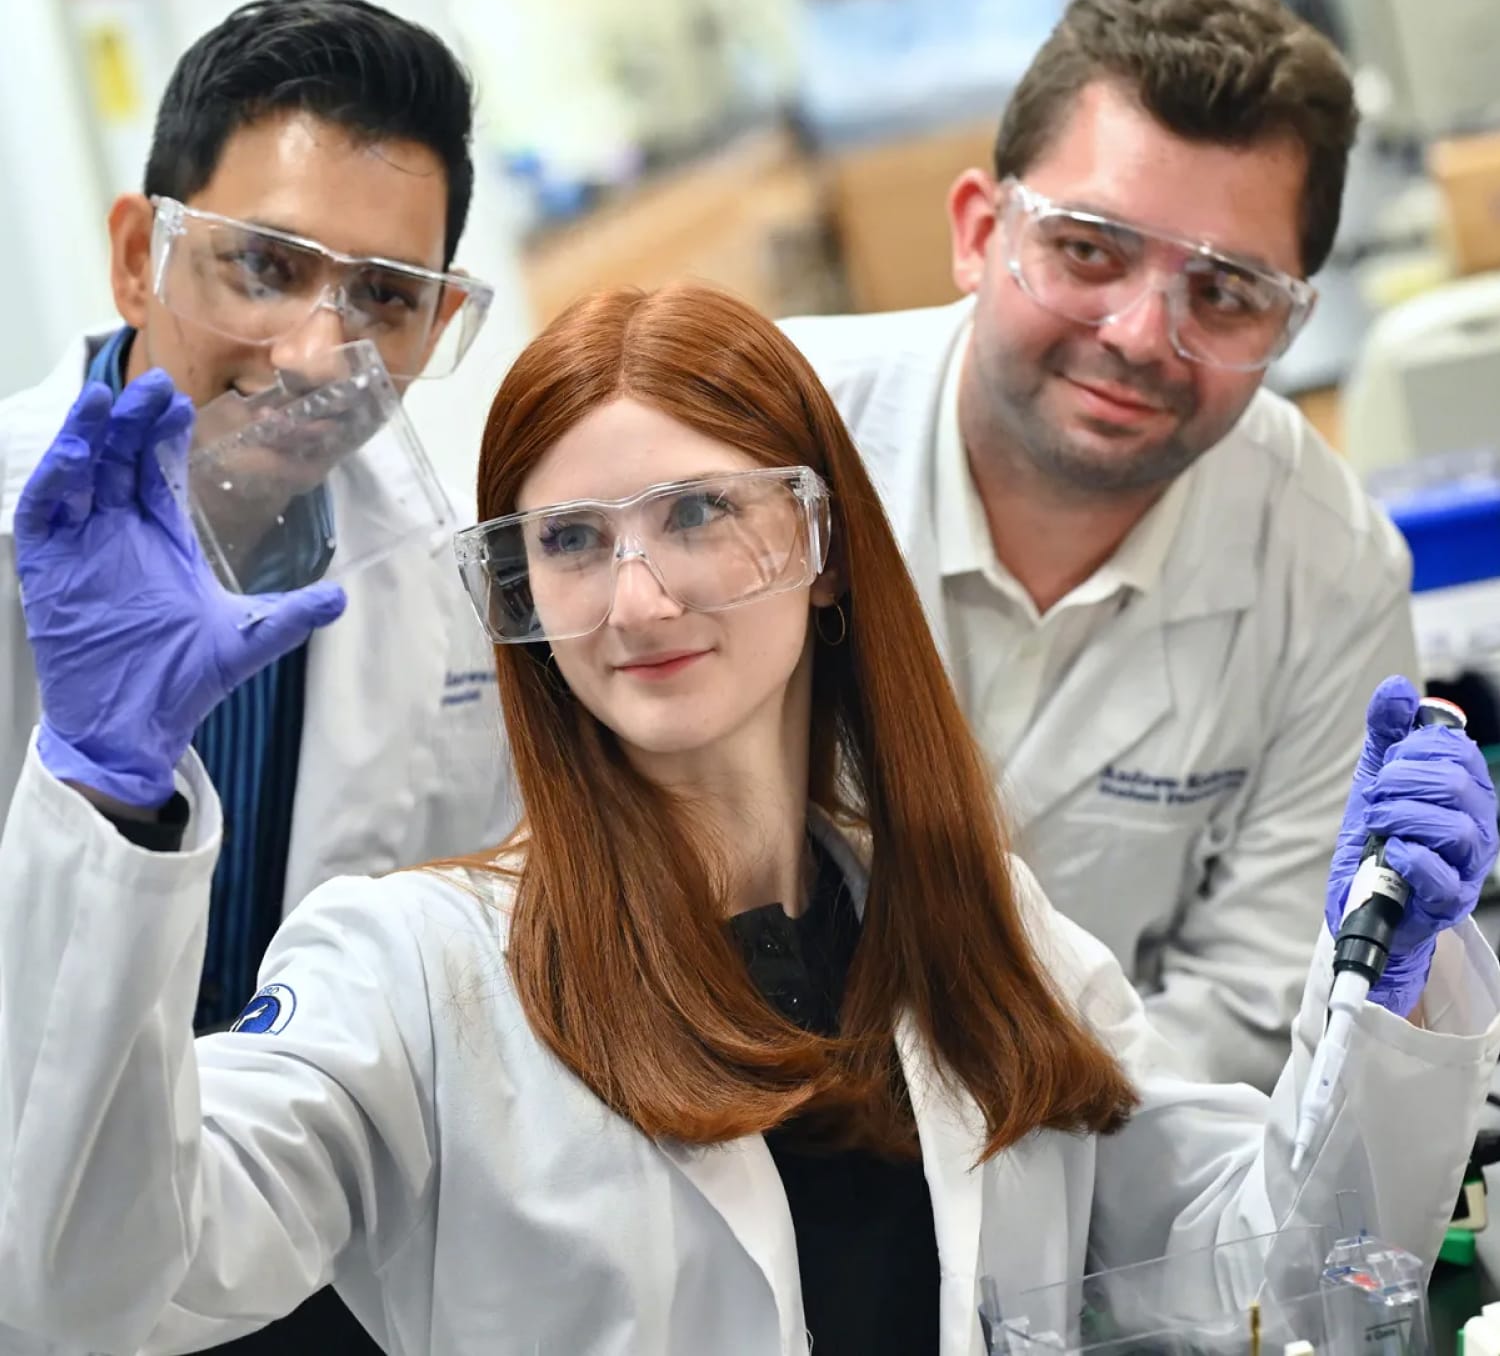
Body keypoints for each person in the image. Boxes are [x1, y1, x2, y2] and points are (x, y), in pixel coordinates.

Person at [0, 283, 1494, 1356]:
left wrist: (1395, 978)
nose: (638, 600)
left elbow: (1280, 1266)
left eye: (700, 514)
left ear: (823, 544)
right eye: (569, 543)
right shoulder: (411, 974)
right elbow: (98, 1291)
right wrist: (106, 784)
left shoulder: (972, 939)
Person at [781, 0, 1419, 1091]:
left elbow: (1250, 1004)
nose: (1140, 335)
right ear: (980, 232)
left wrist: (1014, 1179)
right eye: (1088, 249)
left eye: (1227, 290)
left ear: (1288, 324)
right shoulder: (760, 445)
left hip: (1107, 1183)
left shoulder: (1327, 567)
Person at [0, 0, 514, 1353]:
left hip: (308, 1250)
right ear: (136, 256)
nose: (317, 357)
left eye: (387, 301)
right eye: (266, 269)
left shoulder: (441, 576)